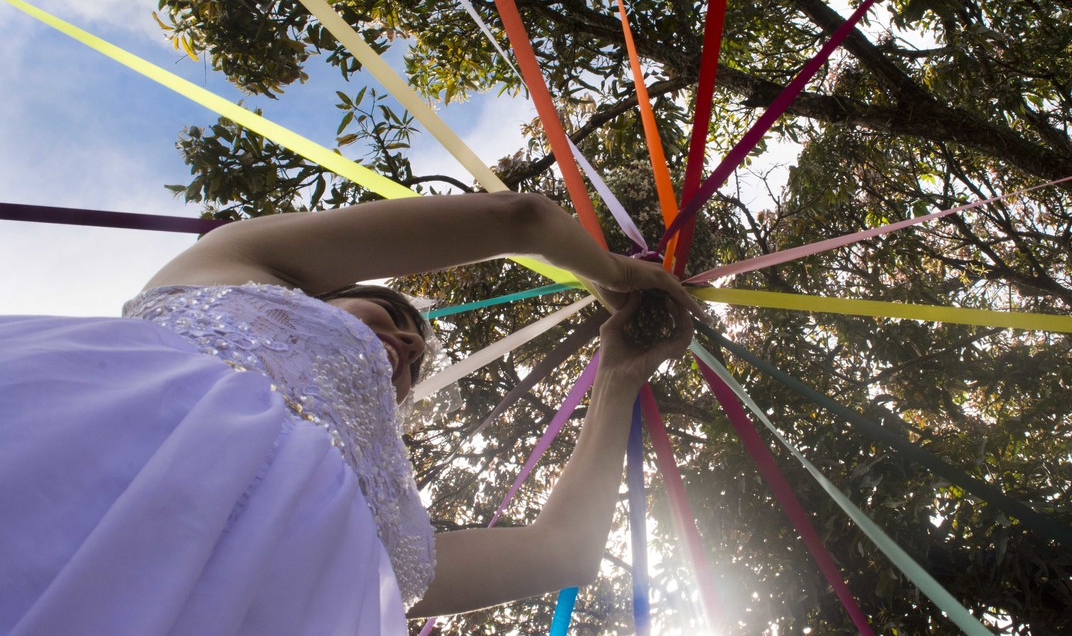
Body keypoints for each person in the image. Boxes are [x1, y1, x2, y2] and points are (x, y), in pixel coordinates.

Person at [0, 192, 701, 635]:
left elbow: (562, 552)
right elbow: (520, 219)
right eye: (392, 315)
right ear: (319, 294)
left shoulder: (369, 538)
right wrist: (618, 273)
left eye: (417, 362)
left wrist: (620, 373)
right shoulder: (233, 266)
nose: (406, 344)